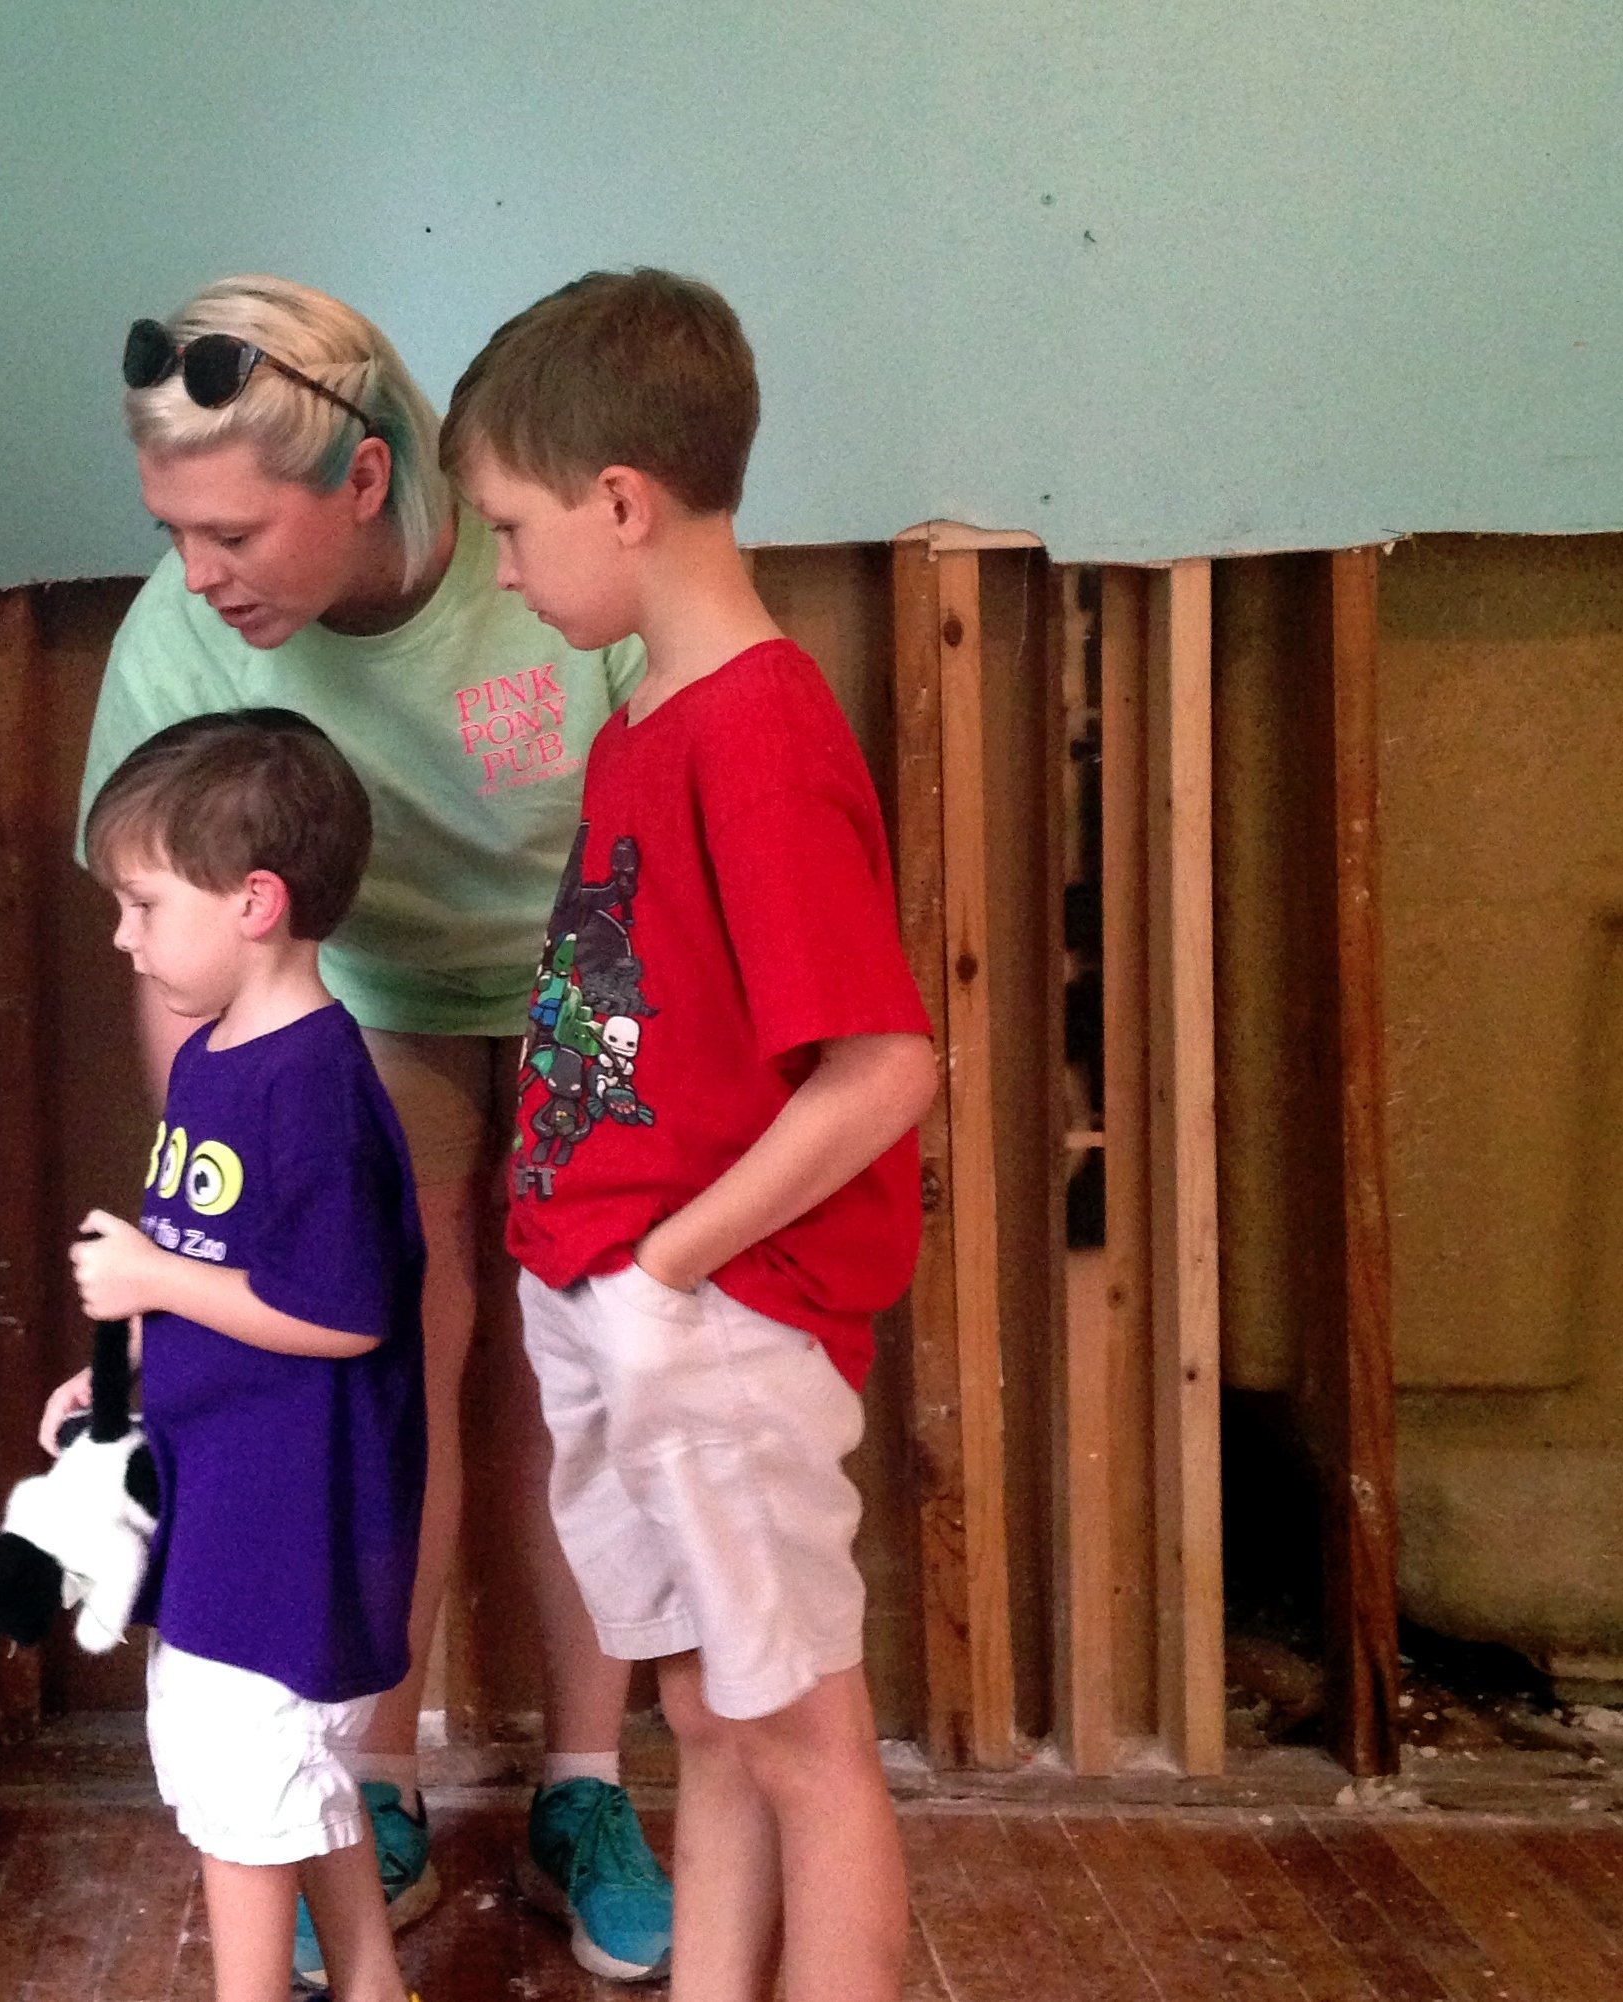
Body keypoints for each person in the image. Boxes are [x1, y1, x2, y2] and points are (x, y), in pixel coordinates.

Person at [79, 275, 672, 1987]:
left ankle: (580, 1784)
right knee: (387, 1354)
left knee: (580, 1353)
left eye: (233, 530)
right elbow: (173, 960)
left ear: (359, 481)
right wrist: (205, 1199)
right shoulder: (175, 635)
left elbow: (663, 824)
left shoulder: (525, 552)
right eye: (172, 530)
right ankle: (371, 1775)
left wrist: (627, 1092)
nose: (201, 573)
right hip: (358, 1002)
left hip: (582, 966)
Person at [440, 266, 937, 2002]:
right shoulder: (643, 717)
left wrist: (667, 1260)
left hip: (711, 1315)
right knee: (705, 1719)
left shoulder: (761, 732)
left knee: (799, 1735)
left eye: (508, 525)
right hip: (616, 1302)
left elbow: (882, 1067)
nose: (497, 567)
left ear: (621, 503)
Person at [47, 709, 427, 2002]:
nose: (123, 935)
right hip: (222, 1491)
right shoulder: (213, 1058)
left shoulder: (314, 1085)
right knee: (286, 1780)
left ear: (254, 900)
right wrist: (121, 1370)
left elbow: (344, 1308)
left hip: (286, 1523)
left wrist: (152, 1280)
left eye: (144, 903)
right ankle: (371, 1985)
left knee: (234, 1783)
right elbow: (214, 1260)